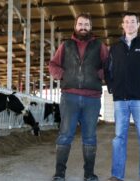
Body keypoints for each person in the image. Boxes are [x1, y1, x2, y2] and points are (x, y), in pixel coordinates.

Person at [49, 13, 108, 181]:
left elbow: (109, 65)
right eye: (80, 24)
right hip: (69, 97)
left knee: (89, 136)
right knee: (65, 134)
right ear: (75, 26)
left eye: (86, 24)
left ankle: (89, 174)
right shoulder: (66, 45)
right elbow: (53, 64)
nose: (83, 27)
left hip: (92, 98)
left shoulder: (99, 45)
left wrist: (100, 74)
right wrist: (63, 75)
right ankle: (60, 173)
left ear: (91, 27)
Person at [104, 12, 140, 181]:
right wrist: (112, 87)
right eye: (126, 22)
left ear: (138, 24)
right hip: (120, 99)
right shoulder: (115, 47)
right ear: (122, 25)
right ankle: (117, 175)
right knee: (118, 138)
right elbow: (107, 70)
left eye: (132, 22)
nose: (129, 24)